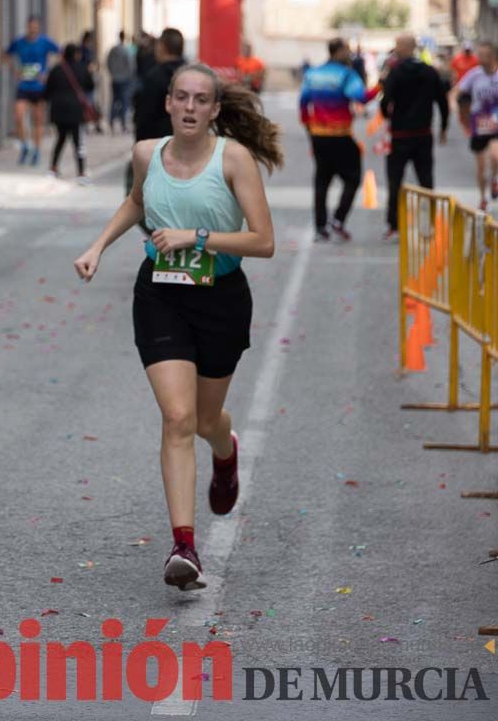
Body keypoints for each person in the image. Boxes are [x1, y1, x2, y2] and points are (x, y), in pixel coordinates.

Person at [73, 64, 280, 592]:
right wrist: (98, 246)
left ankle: (225, 449)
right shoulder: (147, 153)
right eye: (182, 98)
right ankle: (184, 545)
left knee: (206, 417)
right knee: (178, 416)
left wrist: (198, 236)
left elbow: (263, 240)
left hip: (222, 300)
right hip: (161, 296)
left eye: (201, 100)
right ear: (168, 103)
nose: (190, 107)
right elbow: (138, 201)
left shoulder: (233, 159)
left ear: (214, 110)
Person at [299, 37, 381, 240]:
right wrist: (380, 86)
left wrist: (309, 128)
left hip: (318, 135)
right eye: (347, 50)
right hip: (340, 135)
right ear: (338, 52)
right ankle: (338, 219)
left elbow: (303, 102)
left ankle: (320, 228)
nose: (350, 53)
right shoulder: (346, 74)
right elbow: (361, 97)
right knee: (353, 177)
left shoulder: (313, 74)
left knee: (321, 180)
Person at [380, 33, 450, 237]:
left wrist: (387, 117)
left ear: (405, 47)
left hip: (400, 134)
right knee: (426, 180)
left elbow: (385, 101)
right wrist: (443, 127)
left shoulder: (396, 72)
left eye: (397, 45)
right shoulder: (429, 72)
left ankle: (394, 225)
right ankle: (429, 225)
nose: (395, 48)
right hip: (423, 134)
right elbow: (442, 102)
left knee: (395, 181)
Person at [5, 15, 60, 166]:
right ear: (27, 26)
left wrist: (48, 74)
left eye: (35, 26)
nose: (33, 29)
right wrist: (15, 70)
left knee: (38, 120)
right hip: (23, 85)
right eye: (31, 26)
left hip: (39, 87)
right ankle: (25, 145)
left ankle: (36, 149)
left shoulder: (45, 42)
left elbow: (59, 53)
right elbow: (6, 55)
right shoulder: (20, 42)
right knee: (18, 116)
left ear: (39, 27)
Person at [455, 42, 498, 211]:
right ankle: (482, 197)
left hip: (496, 124)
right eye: (479, 55)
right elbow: (459, 93)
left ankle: (494, 180)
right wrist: (462, 114)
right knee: (481, 166)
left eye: (485, 55)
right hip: (478, 124)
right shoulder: (474, 75)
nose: (481, 59)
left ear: (494, 56)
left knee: (495, 156)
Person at [45, 43, 96, 179]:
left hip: (59, 111)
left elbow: (47, 91)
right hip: (76, 112)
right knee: (78, 142)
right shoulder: (83, 68)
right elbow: (91, 86)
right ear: (76, 54)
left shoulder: (56, 70)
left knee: (60, 139)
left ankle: (53, 168)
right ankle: (81, 171)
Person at [107, 31, 135, 134]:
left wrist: (112, 73)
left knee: (114, 101)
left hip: (115, 79)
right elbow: (131, 65)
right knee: (124, 102)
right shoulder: (126, 50)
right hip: (124, 79)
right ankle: (123, 124)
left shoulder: (113, 50)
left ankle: (111, 122)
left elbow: (108, 62)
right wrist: (129, 76)